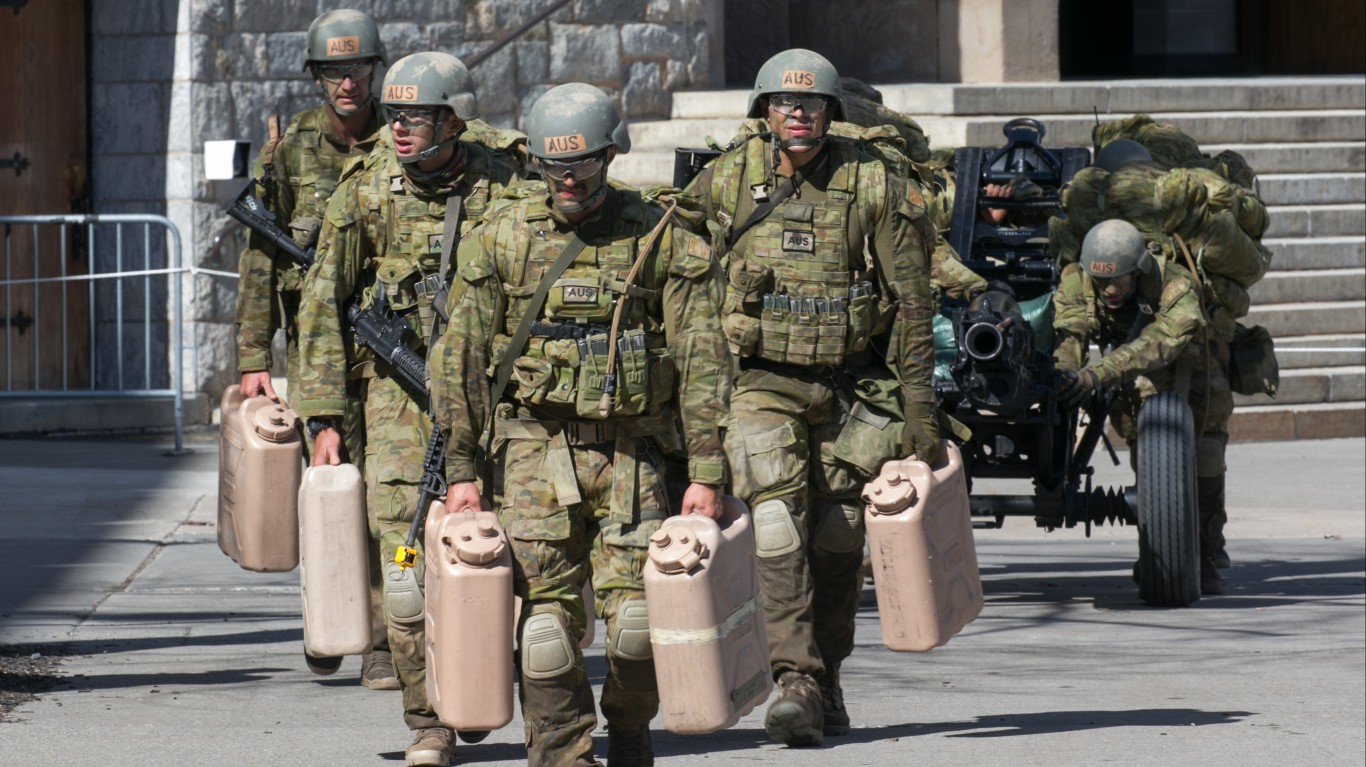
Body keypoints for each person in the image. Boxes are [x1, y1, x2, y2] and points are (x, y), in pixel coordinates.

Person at [428, 83, 729, 767]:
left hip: (631, 457)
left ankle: (629, 723)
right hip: (531, 455)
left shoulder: (659, 235)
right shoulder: (499, 237)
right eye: (553, 166)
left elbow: (703, 360)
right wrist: (461, 472)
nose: (568, 180)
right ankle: (563, 751)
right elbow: (460, 360)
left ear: (611, 155)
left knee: (638, 625)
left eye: (583, 164)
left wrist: (708, 471)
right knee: (546, 632)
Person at [684, 48, 943, 746]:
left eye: (811, 103)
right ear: (764, 110)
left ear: (831, 110)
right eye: (784, 102)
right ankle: (793, 678)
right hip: (759, 382)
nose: (797, 113)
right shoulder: (727, 178)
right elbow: (678, 277)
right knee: (777, 526)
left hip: (853, 384)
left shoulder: (875, 181)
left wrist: (921, 408)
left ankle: (826, 675)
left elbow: (912, 302)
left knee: (838, 537)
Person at [295, 51, 523, 767]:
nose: (397, 127)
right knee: (403, 569)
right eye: (393, 114)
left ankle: (476, 686)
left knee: (501, 556)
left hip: (495, 401)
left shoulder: (507, 180)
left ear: (453, 121)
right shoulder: (366, 191)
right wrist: (325, 419)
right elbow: (322, 304)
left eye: (415, 116)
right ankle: (428, 721)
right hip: (399, 404)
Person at [230, 7, 395, 689]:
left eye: (356, 68)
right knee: (327, 494)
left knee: (387, 498)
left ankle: (383, 639)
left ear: (375, 70)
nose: (346, 83)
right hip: (318, 353)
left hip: (390, 357)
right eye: (332, 71)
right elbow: (260, 256)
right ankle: (328, 615)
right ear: (316, 77)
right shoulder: (291, 151)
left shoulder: (402, 140)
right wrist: (253, 355)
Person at [1051, 219, 1230, 594]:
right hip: (1130, 378)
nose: (1110, 290)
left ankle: (1206, 550)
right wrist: (1065, 376)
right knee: (1152, 463)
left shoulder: (1176, 284)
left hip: (1191, 372)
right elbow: (1071, 332)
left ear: (1139, 269)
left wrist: (1098, 373)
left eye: (1119, 279)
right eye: (1102, 281)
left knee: (1205, 460)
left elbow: (1164, 341)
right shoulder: (1075, 280)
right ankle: (1164, 552)